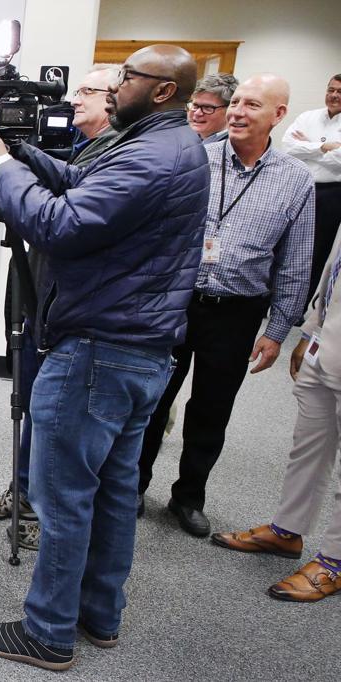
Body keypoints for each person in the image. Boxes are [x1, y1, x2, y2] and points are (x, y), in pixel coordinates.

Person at [0, 45, 209, 671]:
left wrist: (2, 170)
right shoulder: (161, 143)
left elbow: (64, 225)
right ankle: (100, 616)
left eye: (127, 78)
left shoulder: (153, 155)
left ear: (161, 91)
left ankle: (47, 632)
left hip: (100, 346)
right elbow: (80, 183)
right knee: (113, 491)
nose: (114, 85)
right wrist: (15, 156)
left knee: (63, 493)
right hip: (138, 348)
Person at [137, 74, 314, 538]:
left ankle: (188, 497)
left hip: (237, 311)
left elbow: (296, 262)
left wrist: (278, 329)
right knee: (152, 399)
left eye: (250, 105)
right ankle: (132, 486)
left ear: (278, 115)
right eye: (234, 103)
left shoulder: (296, 181)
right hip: (175, 301)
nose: (236, 111)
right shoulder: (194, 158)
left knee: (211, 410)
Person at [0, 64, 121, 550]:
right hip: (39, 288)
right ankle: (23, 491)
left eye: (89, 92)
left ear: (115, 99)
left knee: (55, 413)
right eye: (77, 90)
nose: (76, 99)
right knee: (34, 400)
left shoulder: (115, 153)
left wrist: (7, 165)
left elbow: (58, 216)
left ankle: (43, 507)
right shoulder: (70, 145)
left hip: (72, 304)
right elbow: (19, 202)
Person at [210, 225, 341, 603]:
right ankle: (287, 530)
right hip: (326, 344)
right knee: (308, 447)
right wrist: (310, 331)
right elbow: (333, 268)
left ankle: (334, 561)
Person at [283, 74, 341, 309]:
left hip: (331, 194)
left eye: (340, 92)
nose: (334, 95)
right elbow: (288, 146)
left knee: (314, 252)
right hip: (299, 186)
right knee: (285, 244)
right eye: (331, 90)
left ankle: (297, 307)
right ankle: (271, 299)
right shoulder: (308, 117)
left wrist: (307, 147)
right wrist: (323, 146)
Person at [187, 73, 238, 143]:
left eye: (207, 107)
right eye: (195, 106)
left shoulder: (235, 147)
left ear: (229, 110)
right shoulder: (184, 138)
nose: (197, 113)